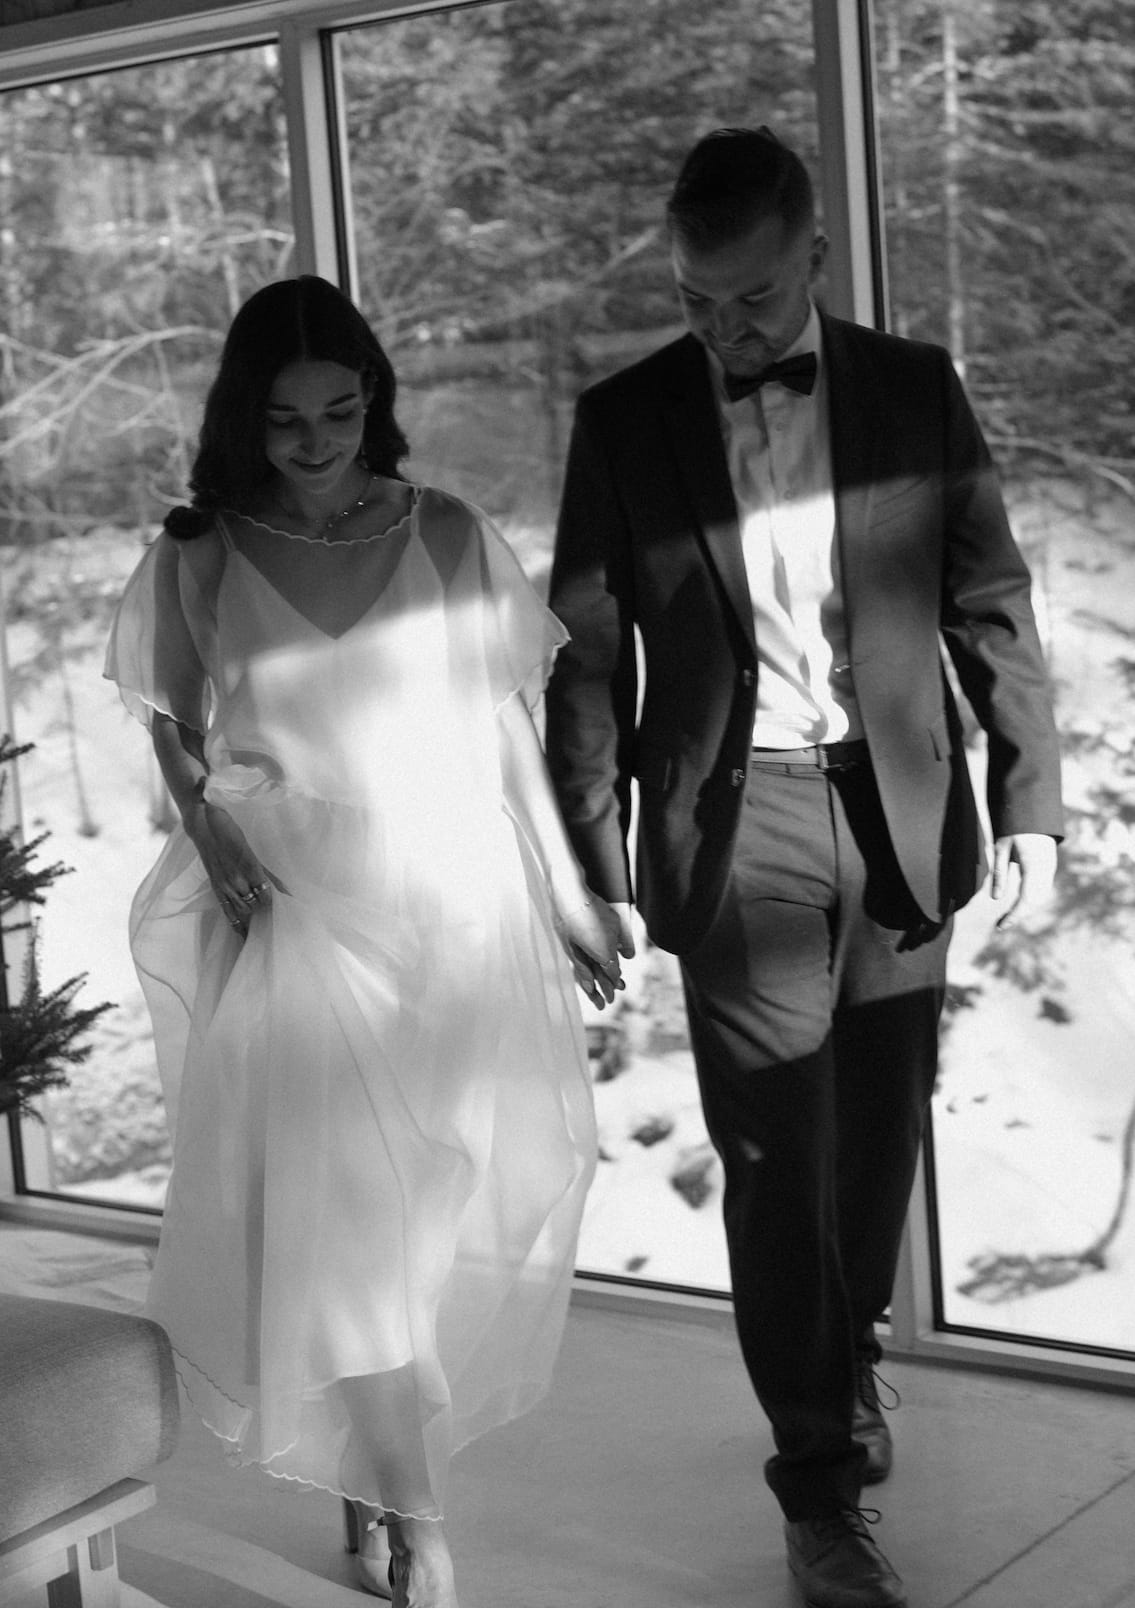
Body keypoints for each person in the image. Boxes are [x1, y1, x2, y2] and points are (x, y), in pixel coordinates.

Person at [544, 127, 1062, 1608]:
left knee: (878, 1140)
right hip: (735, 816)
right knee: (778, 1162)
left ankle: (850, 1365)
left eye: (756, 302)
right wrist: (596, 857)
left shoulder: (914, 389)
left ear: (816, 260)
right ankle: (818, 1493)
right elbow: (584, 656)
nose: (726, 330)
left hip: (901, 814)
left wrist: (1029, 795)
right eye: (702, 303)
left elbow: (993, 600)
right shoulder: (626, 419)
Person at [104, 274, 624, 1608]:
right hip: (292, 907)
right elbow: (169, 717)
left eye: (344, 410)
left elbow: (505, 732)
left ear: (374, 404)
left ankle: (368, 1464)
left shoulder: (445, 532)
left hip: (451, 911)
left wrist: (569, 898)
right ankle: (420, 1511)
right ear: (245, 420)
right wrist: (210, 834)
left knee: (412, 1234)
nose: (322, 439)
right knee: (344, 1235)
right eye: (288, 421)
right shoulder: (197, 554)